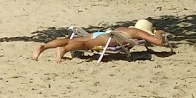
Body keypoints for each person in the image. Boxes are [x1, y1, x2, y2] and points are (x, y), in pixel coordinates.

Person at [32, 19, 167, 61]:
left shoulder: (125, 28)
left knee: (71, 40)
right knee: (84, 45)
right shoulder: (137, 32)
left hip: (101, 34)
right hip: (111, 39)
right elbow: (158, 42)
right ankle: (64, 50)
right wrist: (159, 33)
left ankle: (44, 47)